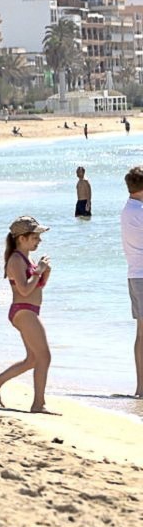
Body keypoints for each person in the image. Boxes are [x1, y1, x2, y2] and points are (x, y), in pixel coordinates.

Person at [0, 216, 55, 414]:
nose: (39, 241)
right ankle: (38, 404)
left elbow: (37, 286)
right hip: (23, 310)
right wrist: (38, 271)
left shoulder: (27, 258)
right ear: (21, 238)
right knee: (45, 356)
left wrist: (45, 272)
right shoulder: (16, 259)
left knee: (33, 359)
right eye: (35, 237)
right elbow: (24, 290)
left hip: (29, 310)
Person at [120, 167, 143, 398]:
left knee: (141, 334)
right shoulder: (140, 212)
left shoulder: (129, 209)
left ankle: (141, 388)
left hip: (135, 274)